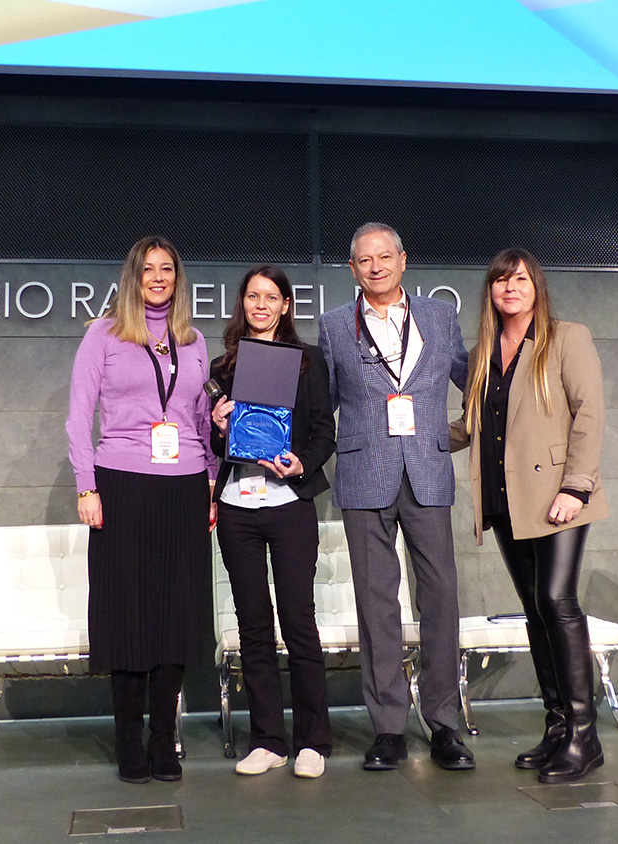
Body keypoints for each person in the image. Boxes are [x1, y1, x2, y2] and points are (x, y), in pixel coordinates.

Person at [317, 222, 474, 772]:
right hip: (364, 475)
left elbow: (473, 382)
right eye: (365, 260)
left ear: (403, 260)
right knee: (376, 605)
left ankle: (445, 725)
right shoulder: (335, 326)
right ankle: (387, 728)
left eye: (386, 256)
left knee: (441, 600)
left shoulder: (438, 316)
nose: (376, 266)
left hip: (428, 470)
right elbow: (320, 406)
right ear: (353, 268)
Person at [450, 248, 609, 783]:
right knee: (535, 610)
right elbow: (471, 427)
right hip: (506, 497)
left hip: (557, 494)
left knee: (556, 601)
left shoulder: (568, 337)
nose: (509, 288)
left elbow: (589, 413)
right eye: (499, 281)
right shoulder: (482, 353)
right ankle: (558, 726)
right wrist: (404, 429)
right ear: (490, 292)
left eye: (519, 279)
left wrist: (577, 487)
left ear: (536, 286)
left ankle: (585, 738)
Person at [66, 235, 217, 785]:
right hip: (122, 483)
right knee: (127, 616)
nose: (158, 277)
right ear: (133, 277)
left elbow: (200, 421)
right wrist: (87, 486)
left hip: (182, 488)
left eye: (167, 269)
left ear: (178, 278)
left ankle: (163, 743)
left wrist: (210, 483)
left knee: (175, 617)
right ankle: (129, 742)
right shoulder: (103, 336)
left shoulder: (194, 341)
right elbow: (79, 415)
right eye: (148, 269)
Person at [208, 265, 336, 779]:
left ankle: (313, 742)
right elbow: (217, 444)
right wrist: (218, 425)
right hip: (237, 506)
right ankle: (267, 740)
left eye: (271, 297)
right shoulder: (223, 365)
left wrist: (302, 461)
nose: (260, 304)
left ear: (286, 305)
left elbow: (325, 430)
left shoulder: (309, 361)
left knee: (299, 622)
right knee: (253, 627)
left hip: (289, 503)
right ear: (243, 305)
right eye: (252, 296)